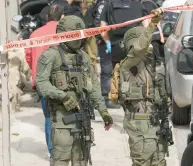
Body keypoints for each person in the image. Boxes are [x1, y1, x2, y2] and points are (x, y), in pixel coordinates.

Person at [35, 15, 113, 166]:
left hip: (82, 120)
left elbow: (94, 87)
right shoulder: (51, 55)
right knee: (60, 161)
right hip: (61, 120)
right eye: (75, 35)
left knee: (81, 161)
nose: (79, 39)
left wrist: (103, 112)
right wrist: (62, 96)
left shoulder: (83, 58)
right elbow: (41, 82)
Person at [118, 8, 168, 165]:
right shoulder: (127, 65)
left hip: (154, 124)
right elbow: (139, 49)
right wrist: (153, 24)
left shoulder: (149, 67)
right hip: (139, 127)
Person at [25, 4, 64, 158]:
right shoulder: (66, 34)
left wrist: (36, 70)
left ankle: (52, 152)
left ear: (47, 17)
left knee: (49, 117)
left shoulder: (34, 35)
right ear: (62, 17)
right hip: (62, 81)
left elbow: (29, 56)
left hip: (41, 82)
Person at [99, 0, 149, 108]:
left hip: (116, 46)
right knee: (134, 72)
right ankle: (133, 98)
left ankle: (116, 97)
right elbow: (147, 27)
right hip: (134, 46)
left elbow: (103, 30)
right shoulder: (139, 5)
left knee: (117, 73)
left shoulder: (109, 5)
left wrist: (108, 42)